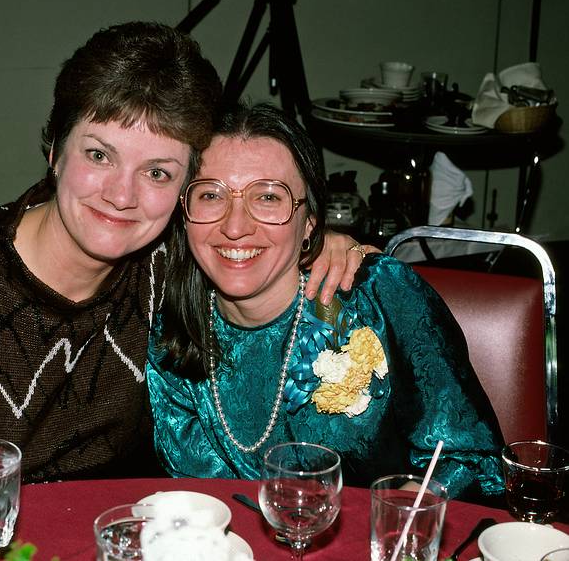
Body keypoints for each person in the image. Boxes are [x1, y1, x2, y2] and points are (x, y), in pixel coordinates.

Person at [0, 22, 366, 514]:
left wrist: (321, 241)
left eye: (157, 172)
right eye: (100, 155)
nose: (121, 195)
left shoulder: (172, 266)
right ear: (55, 149)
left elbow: (257, 241)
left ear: (183, 191)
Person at [147, 102, 505, 500]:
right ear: (184, 213)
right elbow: (195, 500)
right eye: (211, 195)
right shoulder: (173, 339)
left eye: (268, 197)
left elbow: (476, 460)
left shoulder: (376, 295)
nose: (235, 226)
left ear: (310, 224)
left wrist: (420, 496)